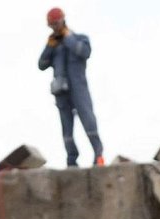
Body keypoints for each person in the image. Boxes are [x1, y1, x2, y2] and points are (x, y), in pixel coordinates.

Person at [38, 7, 105, 168]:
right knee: (67, 130)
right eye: (51, 24)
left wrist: (67, 37)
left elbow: (84, 52)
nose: (54, 27)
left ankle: (98, 156)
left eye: (56, 23)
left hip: (79, 89)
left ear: (63, 20)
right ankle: (71, 161)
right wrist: (49, 46)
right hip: (61, 92)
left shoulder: (80, 39)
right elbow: (41, 64)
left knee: (89, 122)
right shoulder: (54, 46)